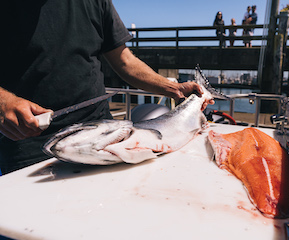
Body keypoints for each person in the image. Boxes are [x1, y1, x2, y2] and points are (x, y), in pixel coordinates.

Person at [0, 0, 209, 176]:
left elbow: (125, 61)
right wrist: (3, 102)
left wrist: (175, 89)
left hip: (107, 136)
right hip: (28, 144)